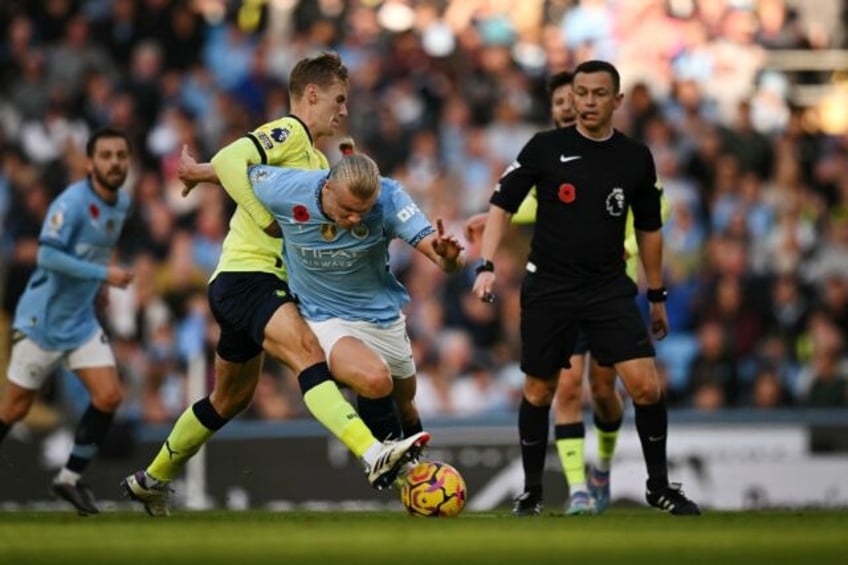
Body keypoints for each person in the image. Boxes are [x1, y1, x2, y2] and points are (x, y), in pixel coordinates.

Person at [122, 53, 428, 517]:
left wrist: (199, 173)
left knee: (229, 399)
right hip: (252, 276)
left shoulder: (315, 159)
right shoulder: (290, 132)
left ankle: (152, 479)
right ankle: (373, 453)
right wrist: (263, 218)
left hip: (244, 285)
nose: (343, 111)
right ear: (311, 94)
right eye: (338, 99)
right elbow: (233, 157)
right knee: (308, 351)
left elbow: (242, 172)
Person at [472, 60, 700, 516]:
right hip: (550, 289)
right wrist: (486, 264)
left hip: (608, 290)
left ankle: (658, 486)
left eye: (599, 94)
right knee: (541, 392)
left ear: (617, 101)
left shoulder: (635, 157)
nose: (588, 102)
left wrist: (656, 297)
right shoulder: (543, 148)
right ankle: (533, 493)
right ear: (571, 97)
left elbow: (652, 231)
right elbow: (502, 205)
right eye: (581, 93)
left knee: (646, 388)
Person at [466, 71, 627, 516]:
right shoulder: (546, 155)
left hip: (613, 290)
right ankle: (577, 489)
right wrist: (497, 218)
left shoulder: (619, 156)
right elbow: (542, 198)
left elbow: (644, 207)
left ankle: (603, 466)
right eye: (560, 101)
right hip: (564, 289)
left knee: (606, 389)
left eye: (573, 99)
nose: (567, 108)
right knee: (568, 387)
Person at [246, 146, 465, 448]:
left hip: (383, 318)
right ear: (328, 186)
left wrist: (450, 258)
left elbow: (442, 259)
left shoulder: (389, 197)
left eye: (363, 211)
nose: (353, 219)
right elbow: (233, 168)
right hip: (324, 317)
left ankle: (415, 474)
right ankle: (387, 464)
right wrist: (197, 172)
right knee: (375, 379)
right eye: (347, 209)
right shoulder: (288, 188)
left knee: (405, 404)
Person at [0, 127, 135, 515]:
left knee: (109, 395)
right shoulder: (71, 203)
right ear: (90, 164)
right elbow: (47, 256)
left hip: (80, 322)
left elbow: (91, 252)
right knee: (13, 410)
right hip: (42, 321)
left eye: (121, 155)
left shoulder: (121, 204)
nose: (115, 163)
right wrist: (102, 274)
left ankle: (69, 479)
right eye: (106, 156)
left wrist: (98, 284)